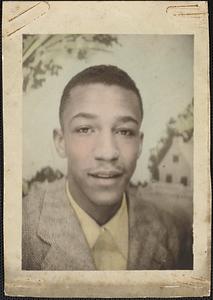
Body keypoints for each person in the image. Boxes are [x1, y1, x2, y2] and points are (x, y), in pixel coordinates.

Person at [22, 65, 193, 270]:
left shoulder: (174, 233)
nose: (107, 152)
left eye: (124, 131)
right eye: (85, 129)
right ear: (61, 142)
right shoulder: (19, 229)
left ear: (139, 144)